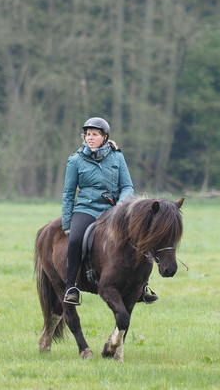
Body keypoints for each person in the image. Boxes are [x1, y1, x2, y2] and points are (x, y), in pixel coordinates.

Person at [61, 117, 158, 305]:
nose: (90, 138)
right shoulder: (75, 160)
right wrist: (67, 223)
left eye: (94, 134)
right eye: (88, 134)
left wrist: (121, 206)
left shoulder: (117, 157)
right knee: (75, 241)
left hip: (113, 210)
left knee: (139, 238)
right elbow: (68, 193)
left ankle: (142, 286)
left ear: (104, 137)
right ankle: (71, 286)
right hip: (86, 209)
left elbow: (127, 186)